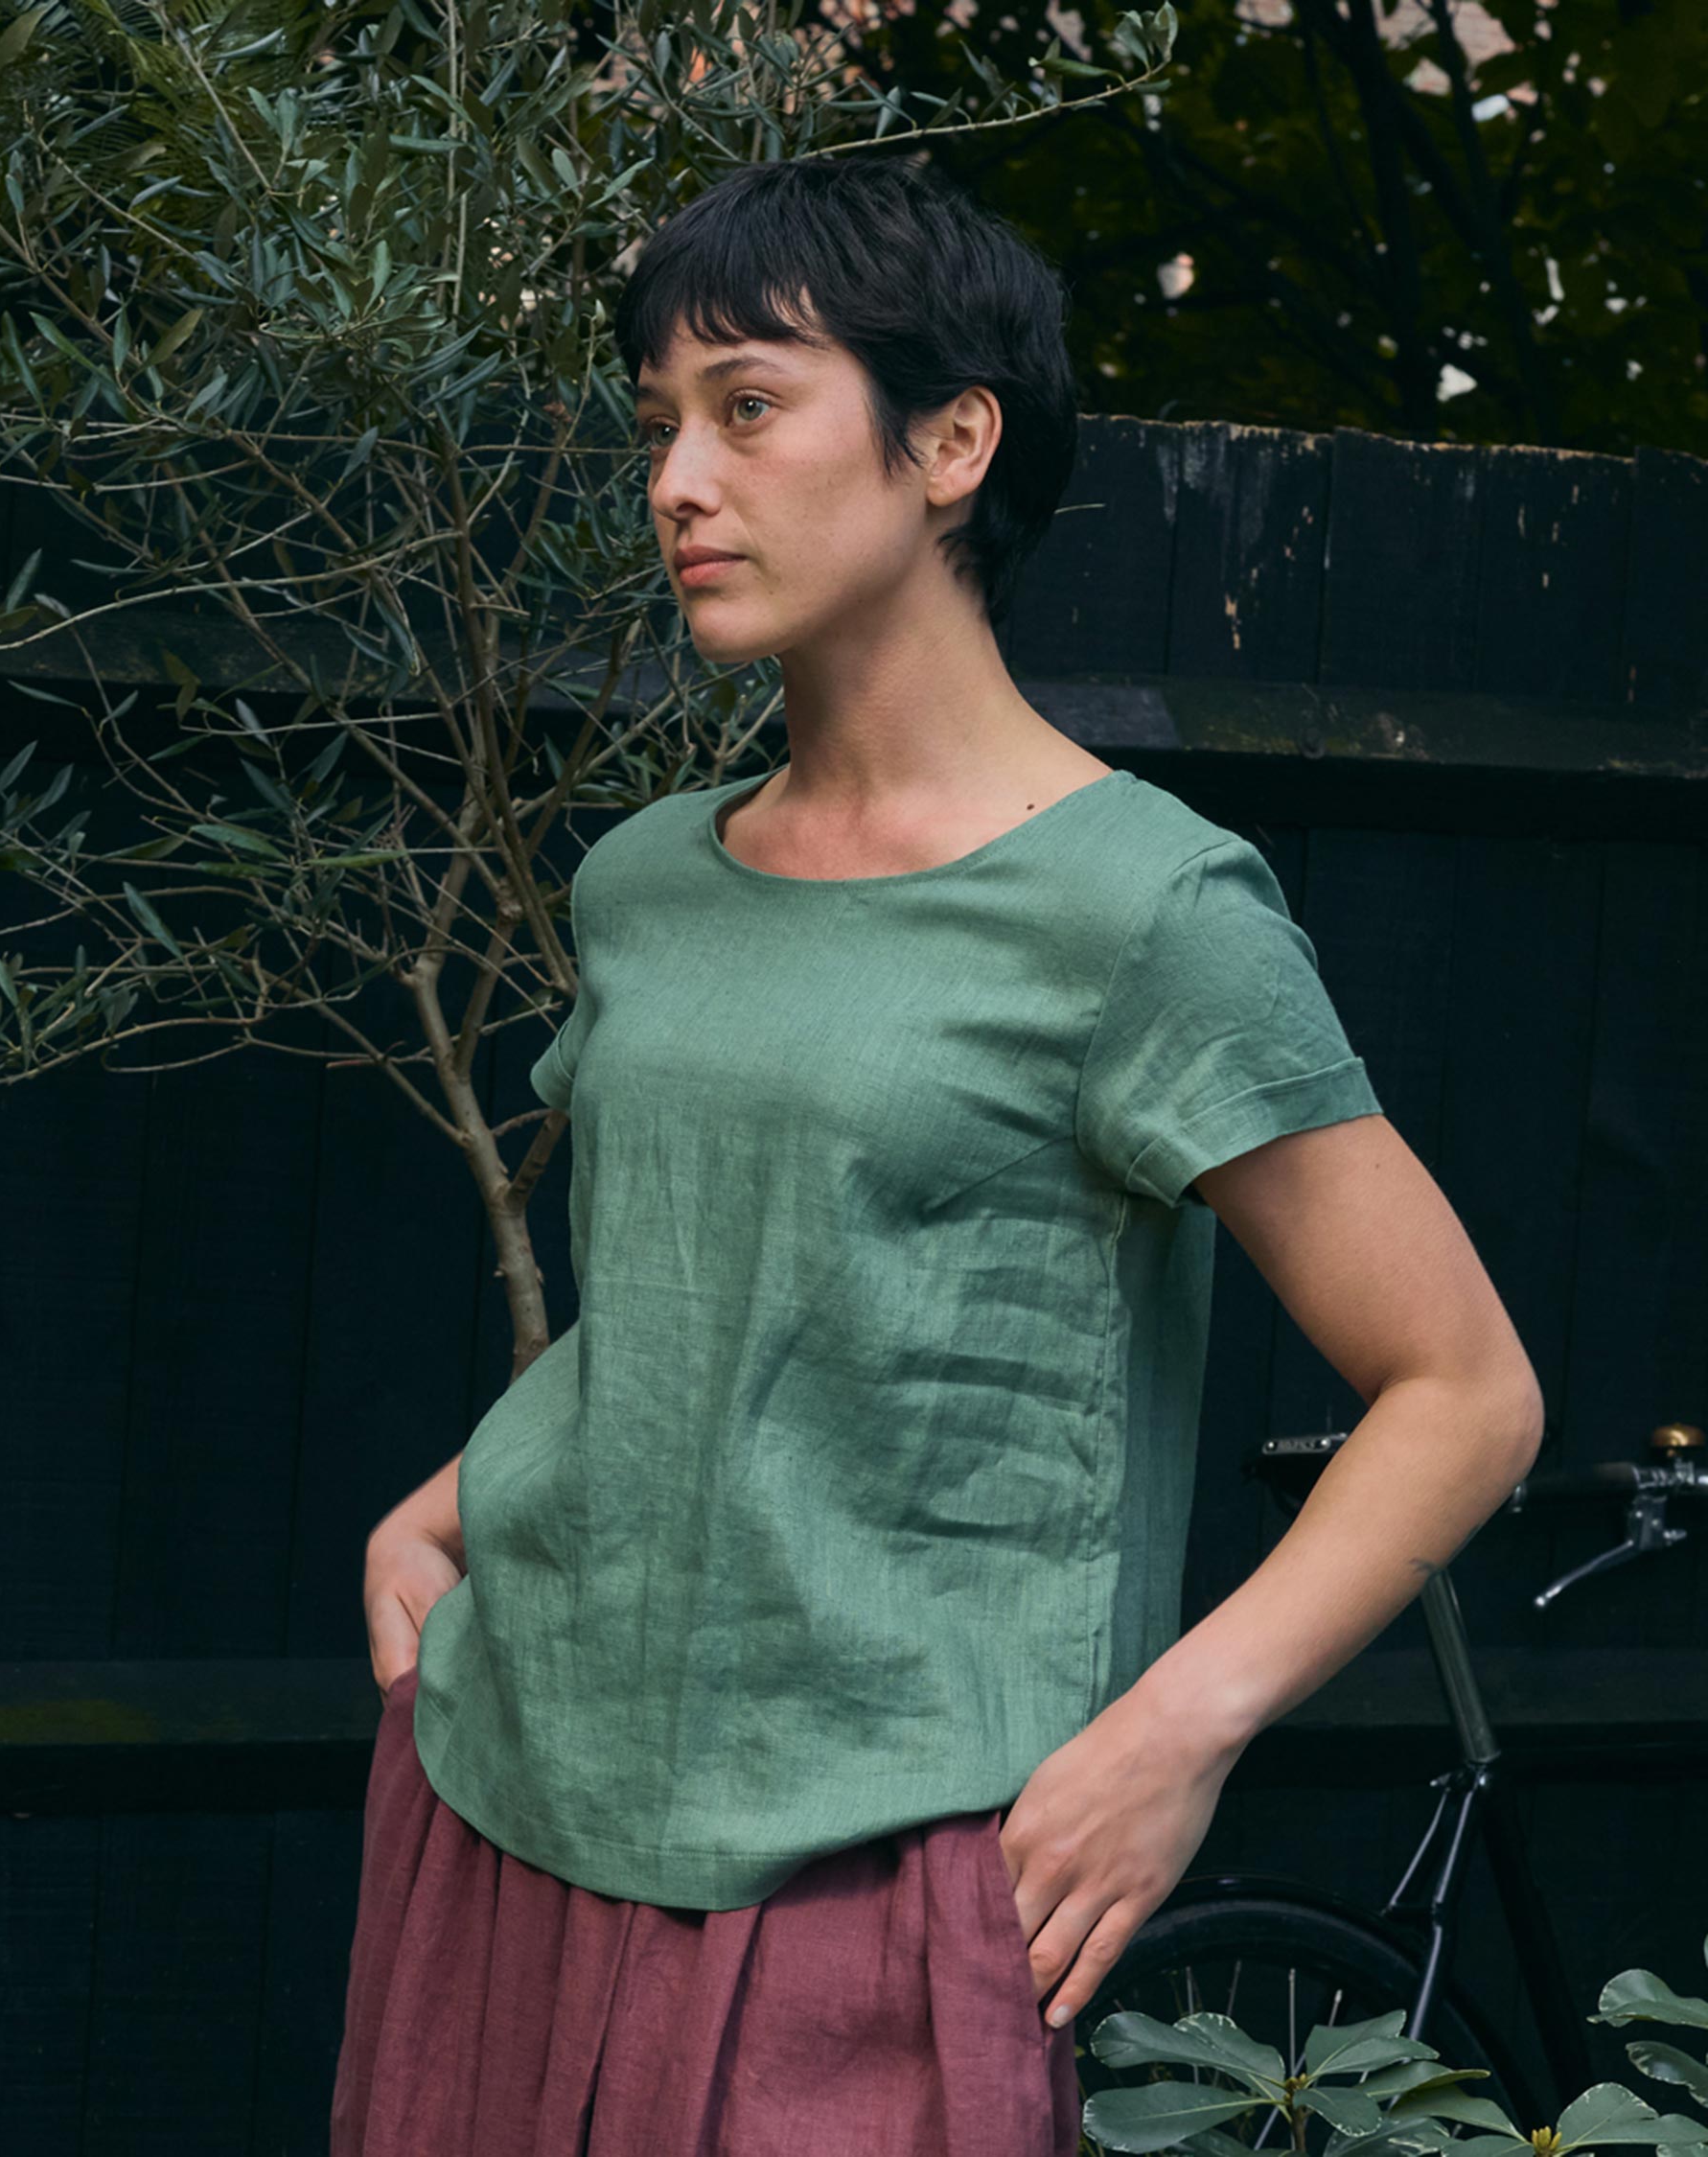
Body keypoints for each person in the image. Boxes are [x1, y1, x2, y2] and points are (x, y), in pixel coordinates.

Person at [331, 155, 1544, 2157]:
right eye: (657, 426)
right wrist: (440, 1506)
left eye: (745, 405)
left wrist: (1175, 1732)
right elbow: (710, 1300)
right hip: (502, 1791)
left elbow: (1465, 1392)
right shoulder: (649, 882)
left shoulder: (1142, 913)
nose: (676, 483)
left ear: (952, 441)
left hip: (871, 1871)